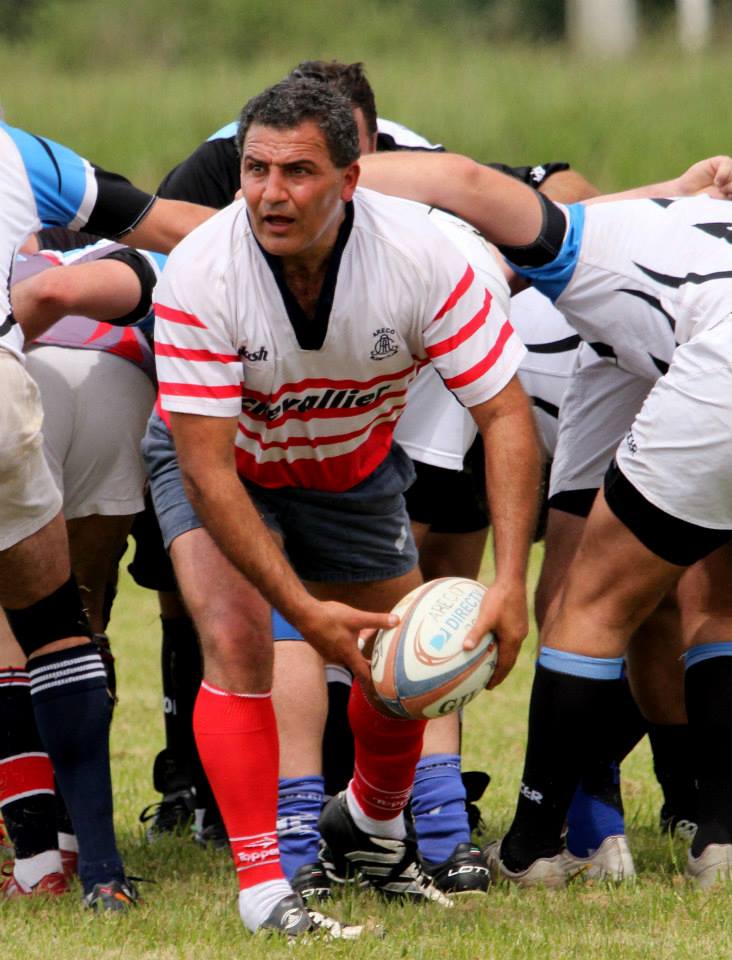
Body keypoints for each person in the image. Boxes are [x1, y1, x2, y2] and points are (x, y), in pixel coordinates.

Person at [145, 77, 539, 938]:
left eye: (297, 173)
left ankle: (370, 828)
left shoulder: (428, 256)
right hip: (227, 465)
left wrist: (512, 582)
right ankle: (262, 889)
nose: (270, 194)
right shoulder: (201, 273)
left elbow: (506, 416)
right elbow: (207, 473)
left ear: (351, 180)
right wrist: (301, 612)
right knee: (240, 637)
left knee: (403, 659)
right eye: (254, 169)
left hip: (354, 467)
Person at [357, 147, 732, 889]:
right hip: (682, 346)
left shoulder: (584, 240)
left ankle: (534, 846)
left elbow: (461, 182)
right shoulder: (633, 298)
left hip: (715, 361)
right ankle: (715, 837)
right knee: (714, 598)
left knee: (591, 606)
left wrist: (333, 172)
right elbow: (563, 534)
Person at [0, 116, 211, 909]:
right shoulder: (34, 167)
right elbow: (171, 237)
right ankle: (93, 862)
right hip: (108, 394)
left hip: (34, 371)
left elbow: (45, 294)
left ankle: (35, 860)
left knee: (10, 629)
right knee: (70, 620)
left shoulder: (36, 258)